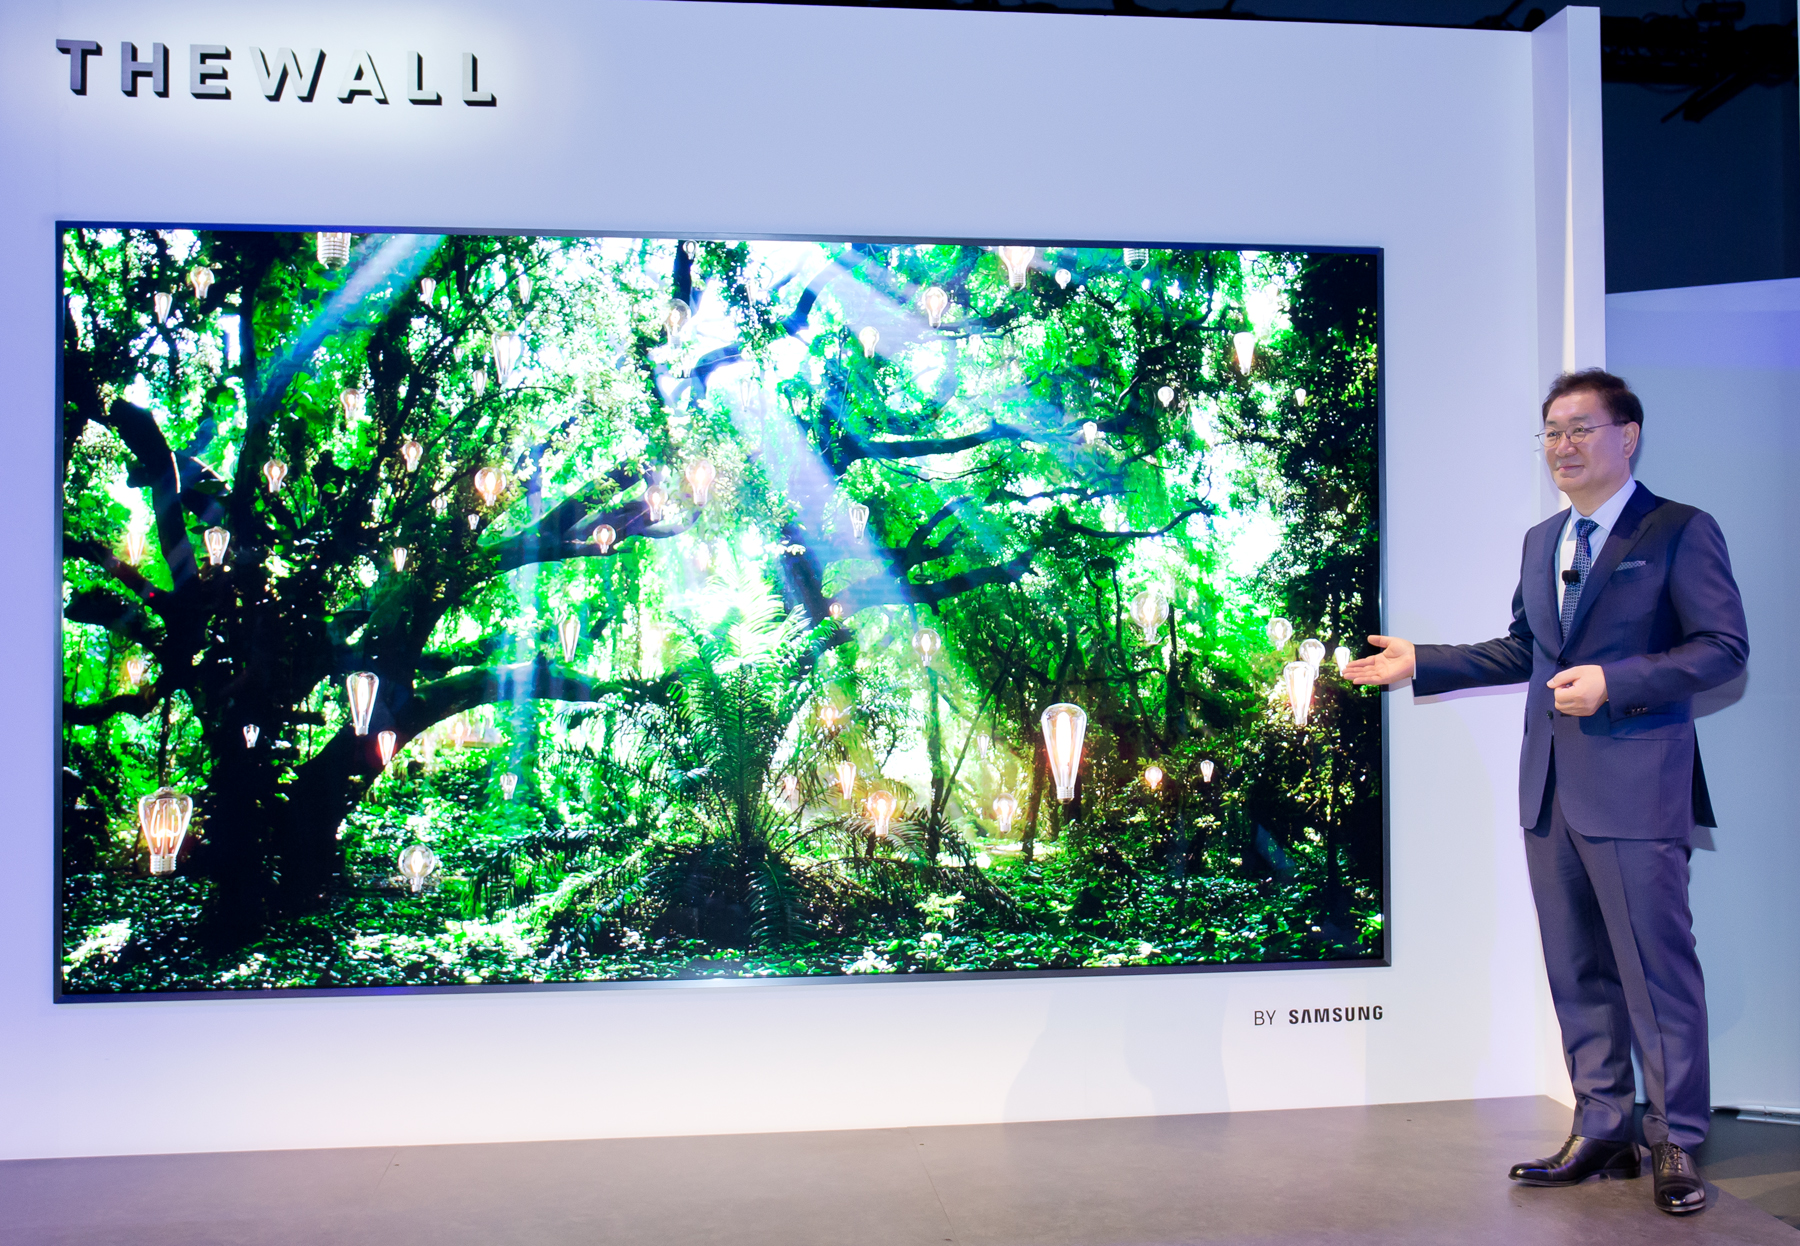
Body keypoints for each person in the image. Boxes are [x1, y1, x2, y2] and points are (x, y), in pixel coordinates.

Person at [1345, 369, 1747, 1216]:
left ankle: (1675, 1138)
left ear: (1627, 435)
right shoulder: (1542, 541)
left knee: (1657, 975)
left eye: (1580, 429)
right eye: (1552, 432)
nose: (1563, 447)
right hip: (1551, 790)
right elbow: (1526, 647)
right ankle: (1601, 1126)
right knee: (1577, 971)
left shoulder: (1678, 529)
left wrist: (1616, 682)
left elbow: (1722, 647)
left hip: (1638, 790)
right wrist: (1424, 662)